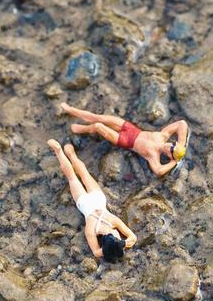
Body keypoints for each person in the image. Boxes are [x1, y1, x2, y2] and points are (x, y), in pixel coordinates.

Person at [49, 139, 136, 261]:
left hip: (94, 200)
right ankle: (63, 153)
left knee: (79, 176)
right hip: (88, 202)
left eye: (118, 237)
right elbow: (97, 252)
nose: (119, 235)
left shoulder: (107, 224)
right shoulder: (98, 227)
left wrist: (121, 244)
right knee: (74, 177)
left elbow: (131, 238)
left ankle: (65, 153)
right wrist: (113, 248)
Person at [58, 102, 189, 177]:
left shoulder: (153, 155)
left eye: (171, 150)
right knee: (100, 118)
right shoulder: (163, 136)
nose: (168, 147)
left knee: (98, 126)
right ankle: (70, 109)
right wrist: (181, 144)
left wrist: (174, 162)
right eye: (172, 145)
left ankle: (82, 129)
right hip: (132, 129)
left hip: (126, 140)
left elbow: (159, 171)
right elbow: (182, 124)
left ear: (169, 155)